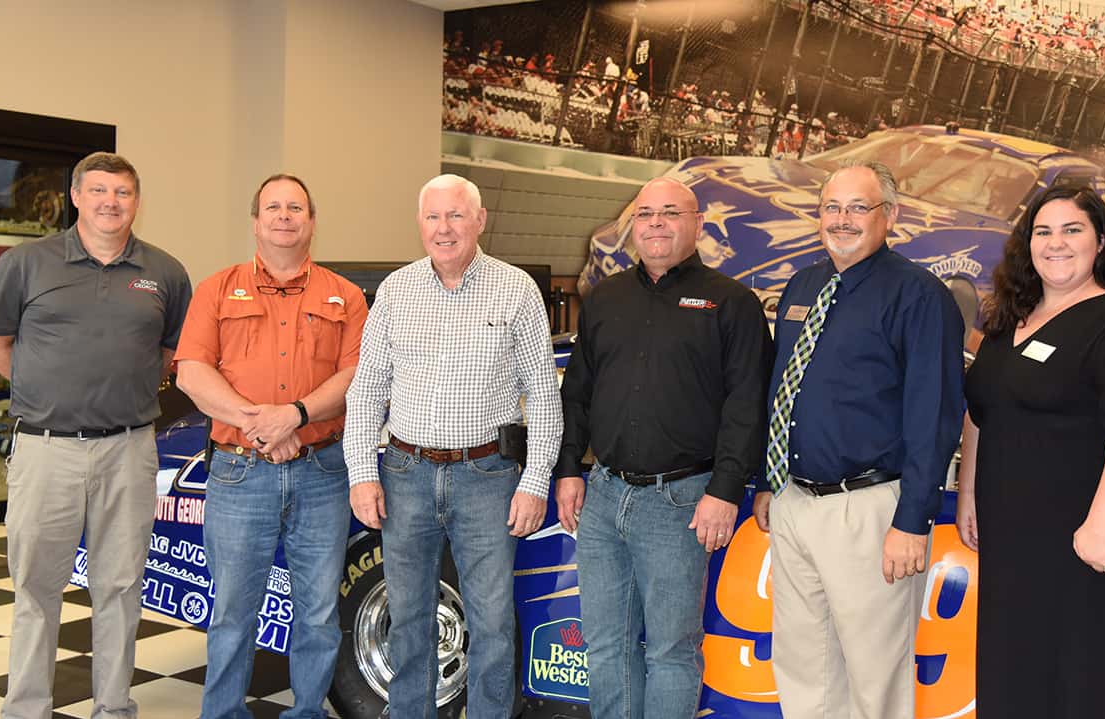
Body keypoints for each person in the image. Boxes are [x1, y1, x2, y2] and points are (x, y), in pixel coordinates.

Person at [0, 152, 192, 719]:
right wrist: (48, 389)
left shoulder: (165, 272)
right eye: (98, 191)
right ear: (76, 196)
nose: (110, 203)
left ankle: (113, 707)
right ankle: (26, 709)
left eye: (121, 193)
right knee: (35, 587)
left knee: (121, 586)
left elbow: (171, 352)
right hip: (45, 449)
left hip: (128, 448)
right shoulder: (26, 262)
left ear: (136, 201)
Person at [344, 173, 561, 718]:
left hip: (486, 477)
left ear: (480, 221)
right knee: (409, 618)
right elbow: (367, 387)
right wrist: (361, 473)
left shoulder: (516, 289)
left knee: (491, 623)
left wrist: (534, 482)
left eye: (456, 216)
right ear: (420, 224)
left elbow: (544, 395)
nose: (445, 229)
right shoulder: (395, 291)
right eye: (433, 217)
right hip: (404, 473)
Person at [555, 177, 774, 718]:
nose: (655, 223)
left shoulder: (733, 303)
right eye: (645, 213)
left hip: (682, 501)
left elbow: (749, 406)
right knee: (606, 645)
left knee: (673, 652)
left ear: (697, 225)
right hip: (603, 497)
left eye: (669, 212)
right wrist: (568, 470)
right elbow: (577, 393)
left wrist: (725, 489)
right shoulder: (605, 299)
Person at [754, 160, 965, 719]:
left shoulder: (920, 297)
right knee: (805, 671)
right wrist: (770, 482)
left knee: (876, 680)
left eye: (857, 208)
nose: (841, 220)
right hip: (796, 504)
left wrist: (913, 519)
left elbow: (934, 416)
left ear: (889, 215)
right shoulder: (802, 286)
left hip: (871, 511)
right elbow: (784, 390)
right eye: (831, 208)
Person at [957, 185, 1105, 718]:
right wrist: (969, 494)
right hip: (1021, 542)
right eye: (1043, 232)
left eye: (1072, 229)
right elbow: (983, 409)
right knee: (1022, 670)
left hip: (1096, 541)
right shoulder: (1010, 324)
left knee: (1092, 678)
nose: (1056, 243)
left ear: (1101, 241)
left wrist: (1101, 523)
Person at [174, 174, 368, 719]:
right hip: (240, 473)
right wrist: (261, 425)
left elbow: (357, 374)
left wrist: (296, 416)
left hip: (322, 472)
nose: (285, 216)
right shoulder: (216, 289)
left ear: (311, 220)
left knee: (318, 611)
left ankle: (307, 711)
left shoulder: (345, 296)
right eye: (273, 208)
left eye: (296, 208)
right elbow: (192, 371)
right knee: (234, 611)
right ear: (256, 221)